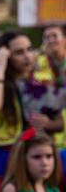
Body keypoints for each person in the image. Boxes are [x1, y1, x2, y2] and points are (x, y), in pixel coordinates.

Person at [0, 30, 65, 179]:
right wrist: (0, 66)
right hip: (6, 152)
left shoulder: (42, 79)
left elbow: (59, 123)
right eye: (19, 52)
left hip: (37, 153)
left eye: (29, 49)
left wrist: (47, 123)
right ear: (7, 56)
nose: (27, 56)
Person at [34, 25, 66, 154]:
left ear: (64, 39)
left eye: (54, 36)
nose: (51, 40)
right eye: (47, 37)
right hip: (49, 132)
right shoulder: (37, 63)